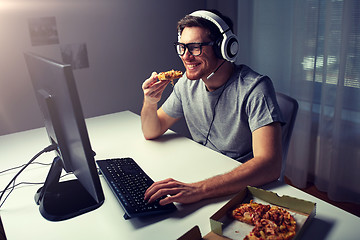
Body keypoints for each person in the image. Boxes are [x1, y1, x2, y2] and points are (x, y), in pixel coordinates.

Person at [141, 10, 284, 206]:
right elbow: (152, 130)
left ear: (224, 48)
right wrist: (150, 101)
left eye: (195, 48)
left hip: (242, 188)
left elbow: (270, 165)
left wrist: (199, 190)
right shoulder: (185, 83)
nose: (186, 56)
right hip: (203, 175)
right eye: (182, 47)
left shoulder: (255, 88)